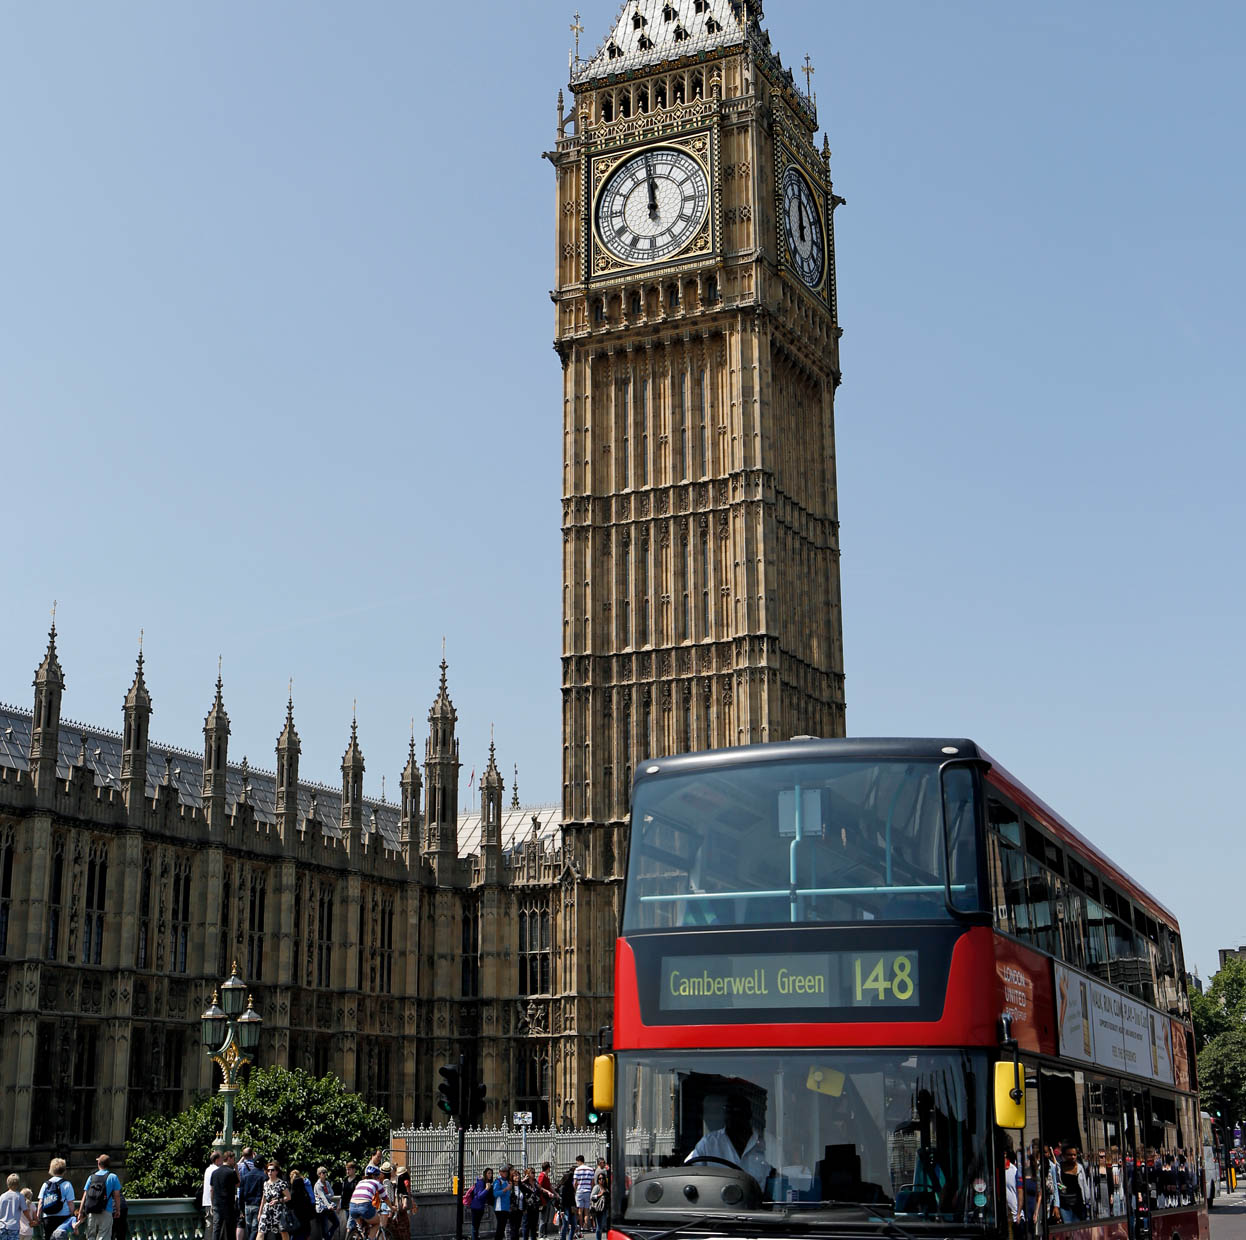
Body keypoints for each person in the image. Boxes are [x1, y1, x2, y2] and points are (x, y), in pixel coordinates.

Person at [685, 1094, 772, 1186]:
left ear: (748, 1114)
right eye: (728, 1111)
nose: (732, 1116)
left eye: (737, 1111)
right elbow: (689, 1173)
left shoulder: (768, 1143)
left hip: (760, 1199)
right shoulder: (708, 1143)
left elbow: (781, 1176)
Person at [76, 1155, 121, 1240]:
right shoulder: (112, 1177)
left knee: (91, 1237)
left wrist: (81, 1211)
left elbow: (85, 1196)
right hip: (106, 1211)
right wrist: (118, 1210)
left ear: (98, 1163)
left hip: (91, 1211)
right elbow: (117, 1195)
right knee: (104, 1237)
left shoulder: (91, 1177)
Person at [35, 1160, 75, 1240]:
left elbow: (40, 1203)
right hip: (63, 1217)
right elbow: (70, 1203)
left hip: (48, 1217)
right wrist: (72, 1215)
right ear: (64, 1170)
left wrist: (38, 1217)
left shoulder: (45, 1184)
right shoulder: (67, 1184)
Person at [347, 1166, 384, 1240]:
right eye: (377, 1175)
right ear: (374, 1176)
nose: (378, 1178)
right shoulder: (376, 1183)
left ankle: (362, 1234)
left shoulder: (360, 1182)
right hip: (365, 1207)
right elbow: (385, 1198)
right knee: (377, 1223)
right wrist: (392, 1207)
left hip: (352, 1206)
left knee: (363, 1228)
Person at [258, 1163, 293, 1240]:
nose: (270, 1172)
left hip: (278, 1211)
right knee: (261, 1231)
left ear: (276, 1171)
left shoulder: (281, 1183)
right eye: (268, 1170)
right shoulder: (265, 1183)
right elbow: (263, 1199)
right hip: (266, 1210)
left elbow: (288, 1197)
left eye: (272, 1170)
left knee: (283, 1232)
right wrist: (260, 1213)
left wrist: (277, 1201)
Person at [210, 1152, 240, 1240]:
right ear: (229, 1158)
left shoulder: (214, 1172)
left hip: (217, 1203)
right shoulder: (231, 1172)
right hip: (228, 1204)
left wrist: (212, 1204)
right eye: (233, 1159)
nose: (234, 1161)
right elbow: (238, 1184)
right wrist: (236, 1170)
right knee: (230, 1228)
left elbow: (212, 1189)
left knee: (217, 1228)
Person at [238, 1151, 266, 1240]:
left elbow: (241, 1193)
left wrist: (241, 1208)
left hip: (247, 1205)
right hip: (258, 1205)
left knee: (250, 1228)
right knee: (255, 1229)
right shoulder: (264, 1177)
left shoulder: (246, 1176)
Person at [466, 1170, 493, 1240]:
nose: (490, 1175)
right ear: (485, 1174)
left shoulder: (487, 1182)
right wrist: (487, 1189)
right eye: (488, 1173)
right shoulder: (481, 1182)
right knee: (475, 1226)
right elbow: (479, 1196)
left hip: (480, 1206)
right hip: (476, 1206)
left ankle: (475, 1237)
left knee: (477, 1226)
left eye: (491, 1173)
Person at [287, 1173, 314, 1240]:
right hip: (305, 1220)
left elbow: (289, 1205)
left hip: (295, 1220)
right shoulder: (305, 1193)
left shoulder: (292, 1193)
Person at [572, 1158, 594, 1236]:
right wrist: (590, 1190)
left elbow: (575, 1183)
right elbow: (592, 1182)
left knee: (580, 1211)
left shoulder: (577, 1170)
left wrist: (575, 1190)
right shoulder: (591, 1169)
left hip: (579, 1191)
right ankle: (585, 1226)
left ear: (579, 1161)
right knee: (586, 1211)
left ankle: (581, 1227)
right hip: (588, 1191)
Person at [313, 1170, 337, 1240]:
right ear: (319, 1174)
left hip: (329, 1207)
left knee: (336, 1223)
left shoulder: (327, 1183)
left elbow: (332, 1193)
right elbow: (322, 1197)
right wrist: (329, 1206)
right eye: (323, 1173)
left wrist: (326, 1195)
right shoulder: (318, 1185)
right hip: (322, 1209)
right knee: (325, 1229)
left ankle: (327, 1238)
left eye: (326, 1172)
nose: (325, 1174)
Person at [204, 1154, 224, 1237]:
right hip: (214, 1202)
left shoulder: (208, 1169)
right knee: (216, 1226)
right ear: (217, 1160)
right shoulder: (217, 1170)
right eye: (221, 1159)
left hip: (207, 1202)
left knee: (209, 1225)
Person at [2, 1175, 27, 1240]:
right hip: (13, 1227)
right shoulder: (19, 1196)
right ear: (18, 1184)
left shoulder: (2, 1196)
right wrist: (31, 1220)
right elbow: (25, 1210)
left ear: (7, 1183)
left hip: (1, 1226)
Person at [491, 1167, 512, 1240]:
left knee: (502, 1228)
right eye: (503, 1171)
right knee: (500, 1229)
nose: (505, 1172)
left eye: (506, 1171)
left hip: (506, 1207)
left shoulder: (507, 1181)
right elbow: (495, 1194)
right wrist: (506, 1189)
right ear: (500, 1172)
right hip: (499, 1208)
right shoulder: (498, 1181)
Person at [521, 1170, 541, 1240]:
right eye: (532, 1173)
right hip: (527, 1207)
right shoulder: (524, 1183)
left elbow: (539, 1191)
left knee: (534, 1226)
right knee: (526, 1225)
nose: (534, 1174)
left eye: (534, 1172)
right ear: (528, 1174)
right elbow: (518, 1185)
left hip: (535, 1206)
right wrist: (524, 1179)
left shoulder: (535, 1182)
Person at [536, 1165, 554, 1239]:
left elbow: (550, 1186)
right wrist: (548, 1192)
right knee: (543, 1218)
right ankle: (541, 1235)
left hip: (547, 1199)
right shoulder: (542, 1176)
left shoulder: (546, 1176)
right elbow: (539, 1186)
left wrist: (555, 1194)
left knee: (546, 1218)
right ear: (547, 1168)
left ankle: (544, 1234)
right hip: (543, 1199)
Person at [588, 1175, 607, 1240]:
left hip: (605, 1209)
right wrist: (600, 1194)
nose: (601, 1180)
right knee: (599, 1226)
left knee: (604, 1226)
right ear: (598, 1180)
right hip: (599, 1209)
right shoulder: (596, 1187)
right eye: (600, 1178)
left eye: (603, 1178)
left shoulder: (606, 1187)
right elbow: (592, 1197)